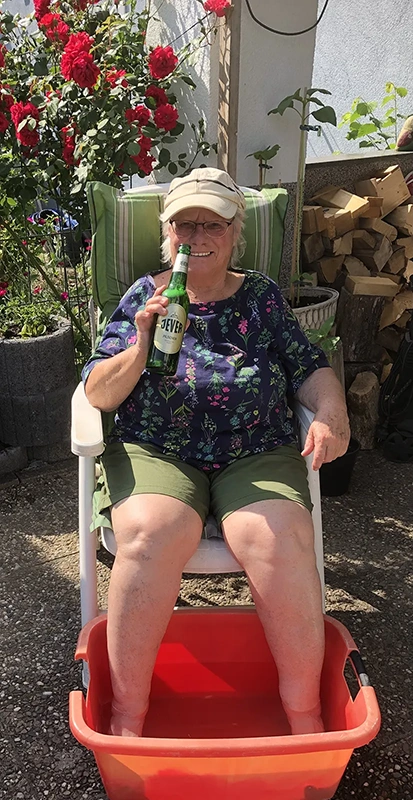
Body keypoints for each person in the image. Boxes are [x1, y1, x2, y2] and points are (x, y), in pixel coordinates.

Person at [82, 167, 350, 738]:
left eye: (214, 224)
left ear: (235, 232)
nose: (197, 236)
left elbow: (309, 366)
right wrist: (141, 342)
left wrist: (331, 412)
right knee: (151, 535)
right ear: (167, 232)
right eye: (185, 224)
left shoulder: (261, 296)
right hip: (158, 447)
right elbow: (98, 393)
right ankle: (128, 715)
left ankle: (305, 715)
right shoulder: (145, 296)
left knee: (278, 539)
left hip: (254, 446)